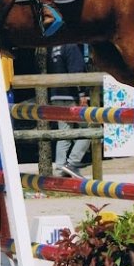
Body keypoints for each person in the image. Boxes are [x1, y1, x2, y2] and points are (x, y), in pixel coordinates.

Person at [47, 43, 90, 178]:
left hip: (56, 94)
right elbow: (76, 71)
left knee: (64, 133)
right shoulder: (71, 46)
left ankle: (60, 168)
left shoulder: (53, 47)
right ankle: (72, 163)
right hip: (71, 95)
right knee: (90, 128)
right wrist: (82, 94)